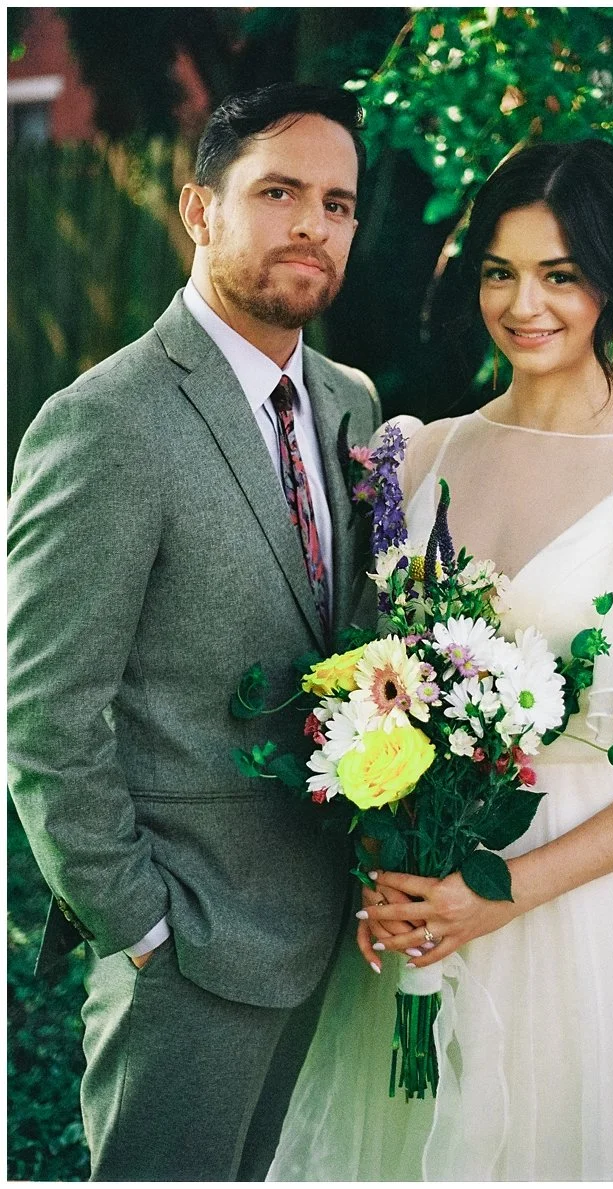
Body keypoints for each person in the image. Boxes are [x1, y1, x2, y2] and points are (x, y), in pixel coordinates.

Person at [267, 139, 613, 1180]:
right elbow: (376, 680)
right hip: (419, 906)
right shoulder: (417, 454)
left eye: (560, 275)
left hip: (597, 914)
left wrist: (502, 887)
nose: (524, 304)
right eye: (499, 271)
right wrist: (390, 847)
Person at [7, 82, 380, 1181]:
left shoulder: (352, 405)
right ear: (199, 209)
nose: (313, 223)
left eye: (338, 203)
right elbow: (43, 712)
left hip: (340, 945)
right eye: (277, 191)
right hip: (190, 951)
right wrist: (141, 927)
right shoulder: (104, 423)